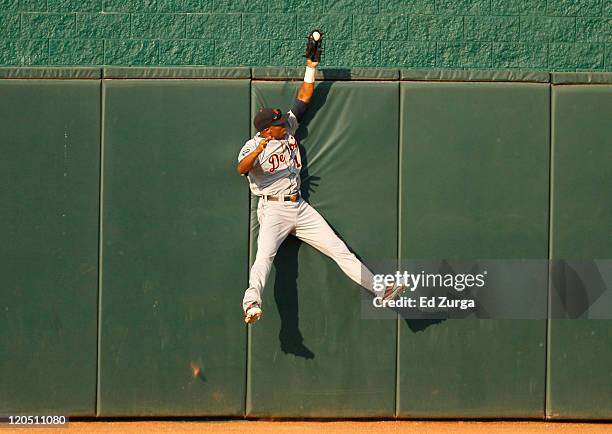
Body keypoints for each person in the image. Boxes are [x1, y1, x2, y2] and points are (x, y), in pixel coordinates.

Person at [236, 58, 404, 324]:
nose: (285, 123)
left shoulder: (287, 128)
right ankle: (252, 303)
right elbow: (241, 168)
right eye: (278, 123)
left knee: (339, 249)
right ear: (268, 130)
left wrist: (311, 66)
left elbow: (304, 96)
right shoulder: (254, 145)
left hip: (299, 206)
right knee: (263, 260)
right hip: (273, 210)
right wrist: (259, 150)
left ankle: (381, 290)